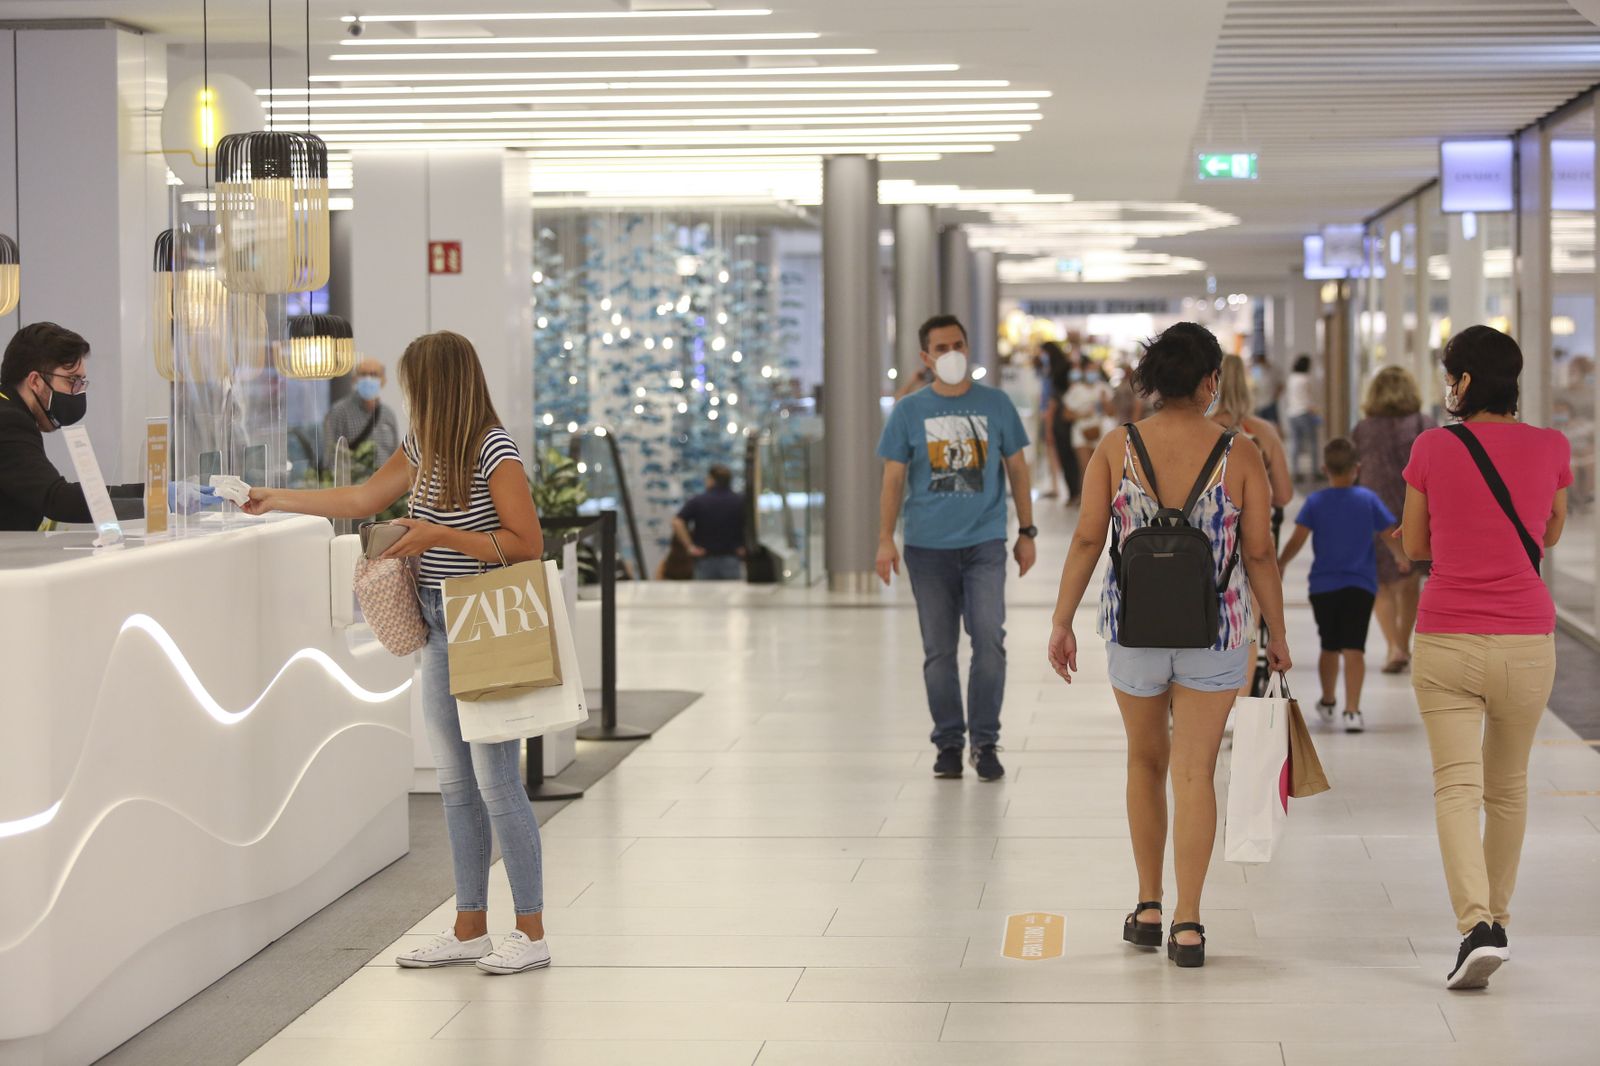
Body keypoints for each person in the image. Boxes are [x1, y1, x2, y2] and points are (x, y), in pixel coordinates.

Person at [244, 330, 552, 976]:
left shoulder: (492, 448)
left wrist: (437, 534)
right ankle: (470, 926)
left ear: (439, 384)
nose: (405, 394)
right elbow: (361, 498)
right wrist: (276, 499)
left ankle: (531, 931)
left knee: (497, 782)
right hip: (437, 621)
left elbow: (527, 543)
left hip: (483, 622)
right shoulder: (422, 447)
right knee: (454, 784)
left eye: (413, 382)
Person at [1047, 322, 1289, 968]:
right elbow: (1260, 554)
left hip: (1134, 629)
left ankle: (1148, 906)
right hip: (1218, 632)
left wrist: (1062, 620)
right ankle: (1189, 923)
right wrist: (1278, 634)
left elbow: (1087, 539)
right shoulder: (1240, 453)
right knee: (1195, 772)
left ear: (1152, 380)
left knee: (1144, 763)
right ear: (1211, 381)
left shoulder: (1116, 447)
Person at [1400, 325, 1570, 991]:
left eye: (1450, 374)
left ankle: (1477, 926)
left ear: (1464, 381)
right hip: (1527, 640)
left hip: (1447, 637)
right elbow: (1549, 531)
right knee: (1508, 787)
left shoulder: (1433, 447)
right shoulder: (1552, 446)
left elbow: (1416, 545)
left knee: (1456, 787)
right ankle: (1496, 919)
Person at [877, 313, 1035, 782]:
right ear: (926, 358)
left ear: (969, 348)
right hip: (927, 547)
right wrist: (885, 539)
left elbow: (1018, 468)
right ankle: (948, 741)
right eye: (941, 348)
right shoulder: (908, 411)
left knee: (989, 640)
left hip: (984, 542)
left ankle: (984, 741)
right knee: (939, 652)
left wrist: (1027, 532)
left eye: (958, 345)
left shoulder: (996, 404)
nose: (952, 355)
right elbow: (892, 480)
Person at [1276, 438, 1409, 733]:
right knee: (1354, 647)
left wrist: (1280, 562)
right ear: (1356, 468)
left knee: (1329, 645)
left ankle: (1328, 700)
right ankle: (1352, 710)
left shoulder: (1315, 502)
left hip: (1323, 586)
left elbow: (1297, 539)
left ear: (1325, 469)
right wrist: (1401, 557)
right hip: (1361, 585)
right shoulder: (1367, 499)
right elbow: (1389, 533)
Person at [0, 321, 143, 531]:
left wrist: (150, 493)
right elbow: (57, 499)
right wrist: (152, 502)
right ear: (35, 381)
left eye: (81, 383)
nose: (77, 391)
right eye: (72, 381)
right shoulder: (9, 421)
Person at [1211, 354, 1294, 699]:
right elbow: (1284, 495)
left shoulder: (1201, 431)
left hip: (1210, 538)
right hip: (1254, 537)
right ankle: (1240, 702)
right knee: (1247, 623)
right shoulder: (1263, 432)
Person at [1351, 366, 1434, 674]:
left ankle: (1393, 647)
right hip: (1414, 509)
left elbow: (1355, 471)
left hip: (1372, 512)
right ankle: (1402, 643)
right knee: (1410, 582)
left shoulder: (1363, 429)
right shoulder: (1424, 424)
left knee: (1381, 584)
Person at [322, 355, 402, 468]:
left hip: (387, 479)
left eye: (374, 374)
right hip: (354, 478)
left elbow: (396, 456)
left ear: (383, 380)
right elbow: (330, 456)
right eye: (363, 374)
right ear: (355, 379)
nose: (368, 379)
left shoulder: (388, 415)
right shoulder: (339, 412)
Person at [673, 464, 746, 581]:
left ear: (712, 480)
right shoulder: (740, 501)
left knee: (705, 592)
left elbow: (677, 522)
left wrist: (690, 547)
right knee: (732, 591)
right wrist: (745, 546)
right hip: (732, 558)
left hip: (704, 558)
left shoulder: (699, 501)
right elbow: (751, 525)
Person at [1064, 358, 1113, 488]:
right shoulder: (1076, 390)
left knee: (1100, 470)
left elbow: (1111, 412)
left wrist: (1104, 401)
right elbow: (1066, 415)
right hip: (1080, 433)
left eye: (1094, 370)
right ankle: (1085, 497)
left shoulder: (1103, 388)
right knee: (1086, 469)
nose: (1092, 373)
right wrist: (1082, 415)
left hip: (1099, 432)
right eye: (1089, 369)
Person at [1041, 341, 1080, 503]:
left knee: (1067, 456)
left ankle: (1074, 492)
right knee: (1070, 456)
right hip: (1067, 418)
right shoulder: (1059, 369)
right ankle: (1074, 492)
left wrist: (1049, 426)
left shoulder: (1059, 372)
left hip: (1061, 418)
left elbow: (1054, 400)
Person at [1286, 354, 1323, 483]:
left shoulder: (1291, 378)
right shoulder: (1305, 379)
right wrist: (1316, 411)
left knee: (1295, 443)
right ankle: (1314, 471)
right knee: (1312, 443)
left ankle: (1295, 472)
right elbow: (1308, 399)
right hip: (1305, 413)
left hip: (1292, 413)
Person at [1250, 351, 1284, 427]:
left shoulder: (1273, 369)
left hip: (1270, 402)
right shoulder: (1256, 370)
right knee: (1260, 425)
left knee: (1274, 424)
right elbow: (1253, 385)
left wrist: (1275, 397)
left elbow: (1281, 385)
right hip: (1258, 404)